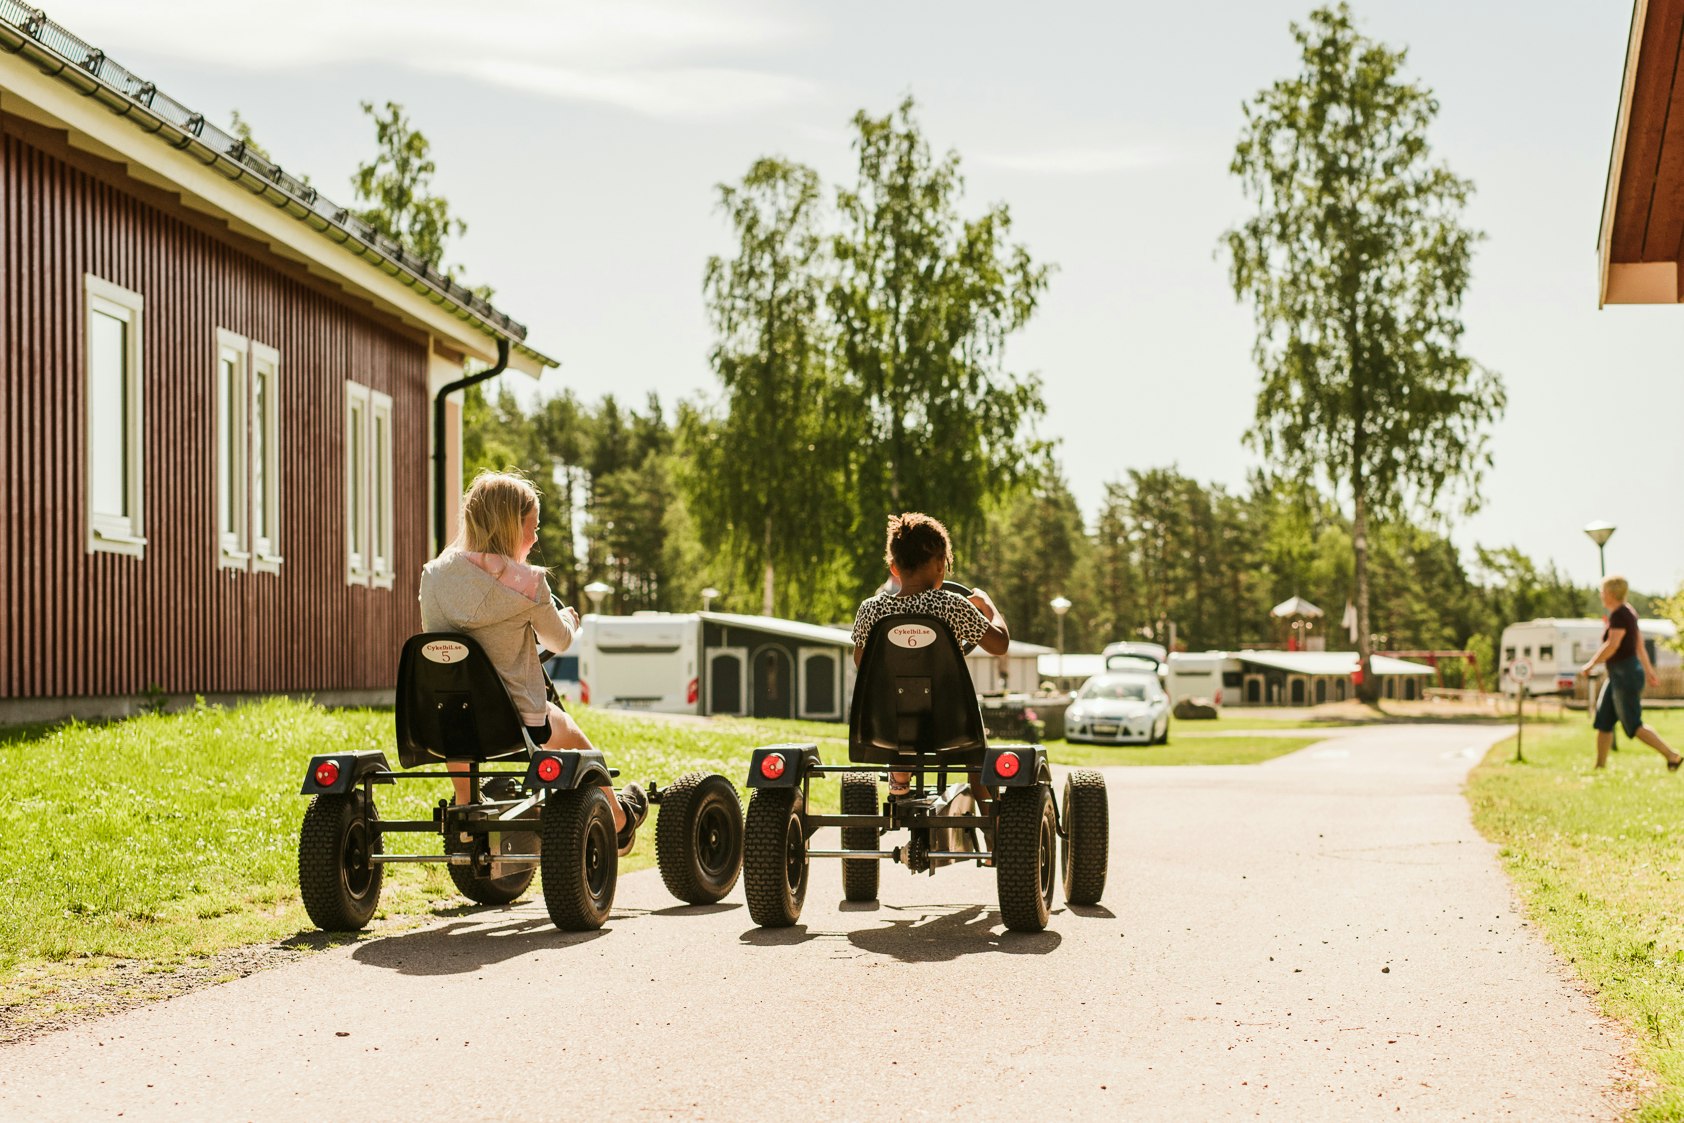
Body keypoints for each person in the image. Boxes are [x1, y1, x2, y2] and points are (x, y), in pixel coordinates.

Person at [419, 470, 647, 852]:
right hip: (512, 721)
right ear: (511, 525)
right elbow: (558, 641)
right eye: (533, 527)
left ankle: (465, 803)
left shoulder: (433, 576)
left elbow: (441, 639)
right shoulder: (528, 583)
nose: (536, 538)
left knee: (456, 713)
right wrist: (569, 621)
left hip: (448, 718)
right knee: (572, 734)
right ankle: (620, 820)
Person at [850, 512, 1011, 796]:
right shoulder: (952, 605)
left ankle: (900, 773)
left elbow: (862, 662)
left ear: (894, 567)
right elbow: (1000, 645)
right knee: (977, 752)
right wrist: (986, 604)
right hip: (950, 723)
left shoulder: (870, 609)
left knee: (899, 704)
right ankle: (989, 812)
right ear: (940, 564)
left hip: (888, 726)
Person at [1580, 574, 1682, 772]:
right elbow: (1639, 644)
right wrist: (1649, 670)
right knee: (1604, 720)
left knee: (1634, 725)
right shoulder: (1627, 612)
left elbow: (1613, 645)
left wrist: (1591, 664)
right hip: (1619, 674)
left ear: (1611, 593)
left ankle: (1672, 755)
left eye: (1603, 591)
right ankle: (1599, 767)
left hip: (1625, 675)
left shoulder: (1620, 615)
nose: (1601, 595)